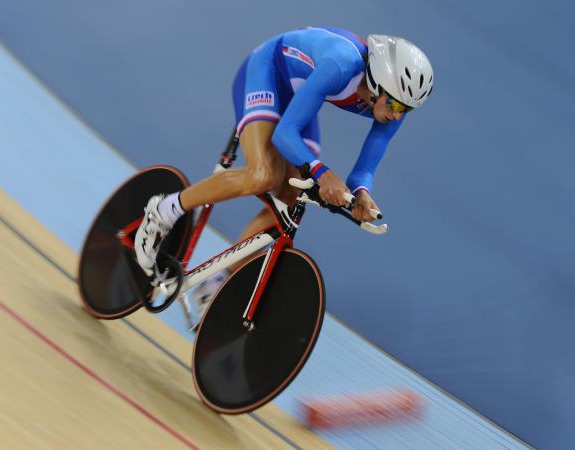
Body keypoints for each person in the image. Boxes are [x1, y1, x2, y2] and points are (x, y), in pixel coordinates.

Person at [135, 27, 433, 304]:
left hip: (300, 94)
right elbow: (285, 133)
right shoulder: (342, 65)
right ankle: (163, 210)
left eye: (406, 109)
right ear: (378, 80)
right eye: (394, 105)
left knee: (291, 198)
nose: (397, 116)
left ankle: (217, 282)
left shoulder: (395, 104)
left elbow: (365, 168)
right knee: (263, 175)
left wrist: (362, 193)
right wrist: (323, 173)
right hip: (266, 73)